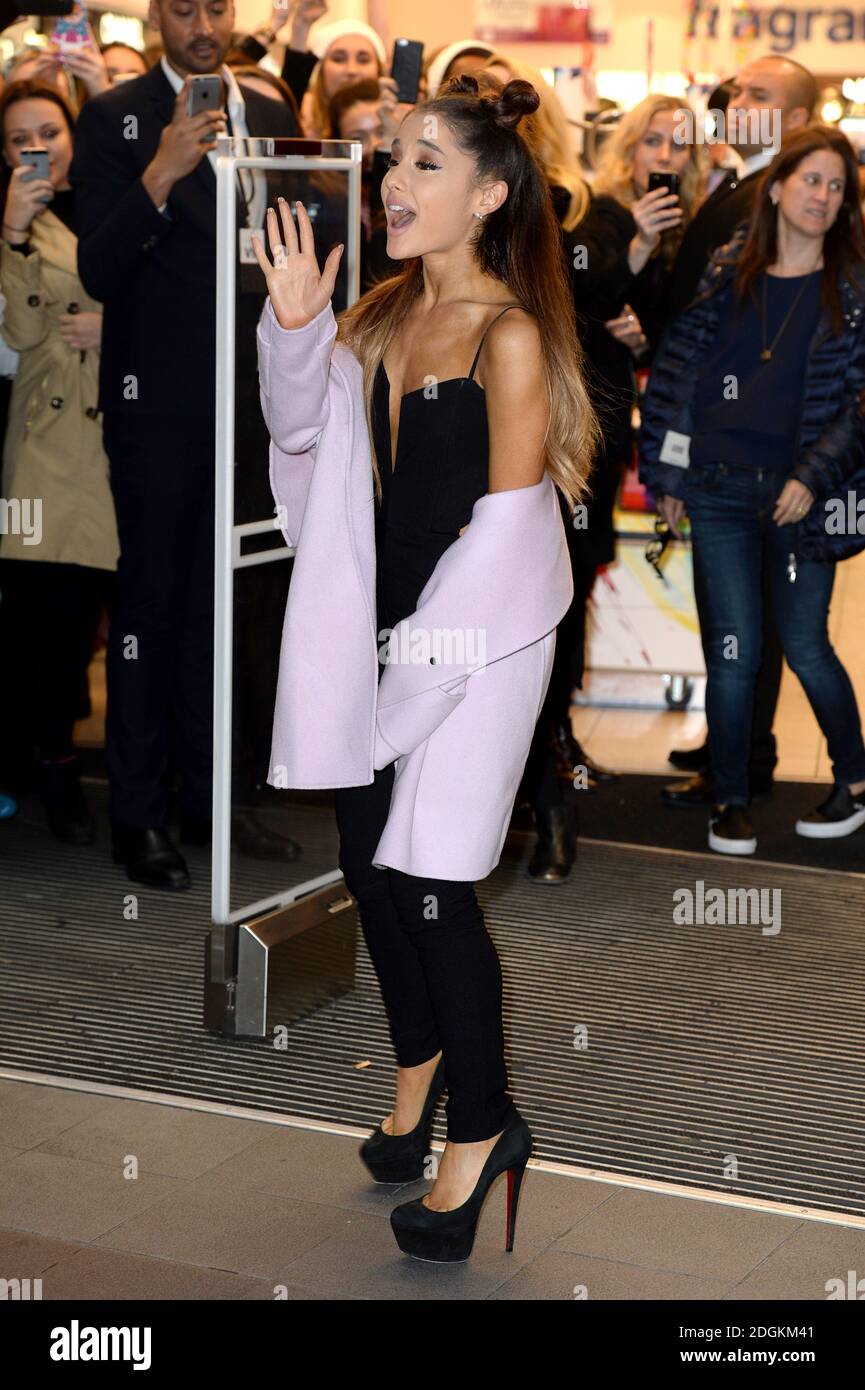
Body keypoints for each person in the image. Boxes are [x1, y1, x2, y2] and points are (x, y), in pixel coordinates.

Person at [253, 70, 597, 1260]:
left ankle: (485, 1129)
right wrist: (297, 324)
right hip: (380, 629)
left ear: (491, 192)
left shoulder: (513, 336)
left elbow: (506, 536)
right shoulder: (379, 316)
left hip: (480, 641)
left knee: (433, 882)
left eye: (425, 163)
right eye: (392, 159)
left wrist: (408, 677)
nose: (394, 181)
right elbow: (299, 447)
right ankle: (416, 1077)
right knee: (367, 860)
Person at [69, 0, 301, 889]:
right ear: (158, 14)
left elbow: (293, 236)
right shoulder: (113, 117)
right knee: (151, 608)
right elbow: (98, 265)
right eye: (183, 7)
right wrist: (160, 174)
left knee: (230, 609)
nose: (203, 23)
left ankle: (215, 800)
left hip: (256, 405)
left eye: (217, 5)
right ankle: (140, 815)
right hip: (156, 406)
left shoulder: (271, 114)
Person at [639, 125, 865, 855]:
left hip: (803, 497)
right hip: (716, 489)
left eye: (836, 187)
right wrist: (667, 475)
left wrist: (810, 476)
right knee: (731, 653)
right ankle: (730, 798)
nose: (822, 197)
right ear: (775, 187)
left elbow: (857, 407)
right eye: (811, 181)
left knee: (804, 646)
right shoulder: (725, 271)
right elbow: (678, 381)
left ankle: (854, 783)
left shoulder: (852, 290)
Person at [660, 54, 818, 808]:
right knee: (739, 622)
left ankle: (741, 765)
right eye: (736, 88)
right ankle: (737, 751)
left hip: (756, 451)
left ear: (793, 122)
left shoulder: (774, 201)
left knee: (752, 623)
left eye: (757, 95)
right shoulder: (737, 183)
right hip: (731, 444)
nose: (734, 99)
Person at [0, 79, 116, 841]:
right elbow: (12, 337)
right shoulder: (11, 223)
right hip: (38, 448)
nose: (37, 146)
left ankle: (65, 763)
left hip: (113, 441)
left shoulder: (117, 203)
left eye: (50, 129)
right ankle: (47, 764)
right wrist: (10, 234)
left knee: (83, 621)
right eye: (18, 138)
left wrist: (117, 329)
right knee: (33, 619)